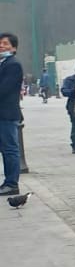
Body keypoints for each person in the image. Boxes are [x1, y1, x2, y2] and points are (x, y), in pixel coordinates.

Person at [0, 33, 20, 197]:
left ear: (13, 47)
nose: (1, 46)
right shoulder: (2, 63)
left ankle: (11, 183)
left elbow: (5, 89)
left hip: (6, 113)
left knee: (10, 149)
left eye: (5, 44)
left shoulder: (13, 65)